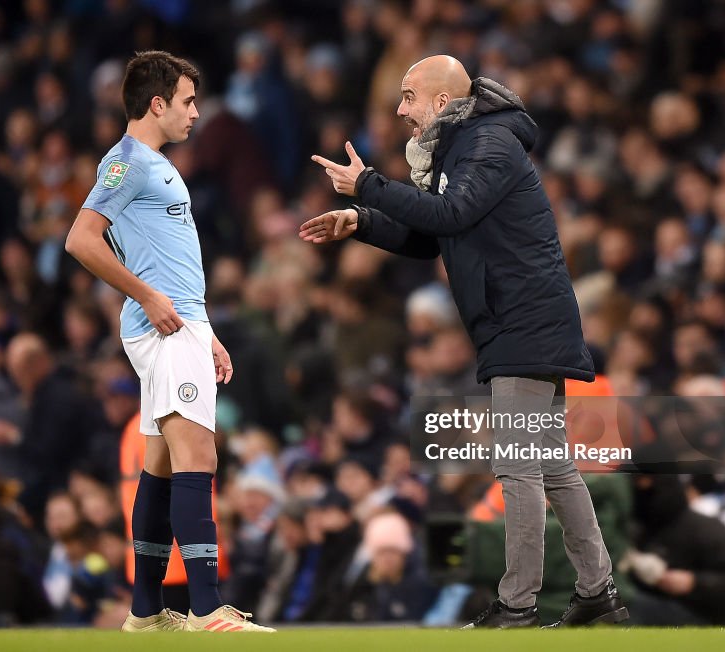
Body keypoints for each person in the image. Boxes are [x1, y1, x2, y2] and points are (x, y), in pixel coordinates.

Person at [301, 55, 626, 628]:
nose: (400, 110)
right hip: (519, 320)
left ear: (443, 103)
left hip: (521, 321)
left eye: (408, 97)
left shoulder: (488, 143)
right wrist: (364, 221)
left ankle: (518, 604)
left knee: (518, 465)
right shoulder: (466, 147)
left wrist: (371, 186)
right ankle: (597, 594)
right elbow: (434, 237)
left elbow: (452, 213)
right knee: (550, 465)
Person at [65, 50, 273, 633]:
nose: (195, 113)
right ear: (156, 104)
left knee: (159, 466)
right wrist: (150, 298)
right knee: (197, 458)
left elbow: (171, 261)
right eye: (186, 101)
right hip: (165, 328)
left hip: (184, 328)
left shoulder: (154, 163)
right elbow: (81, 240)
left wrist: (205, 332)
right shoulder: (126, 163)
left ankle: (144, 612)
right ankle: (207, 610)